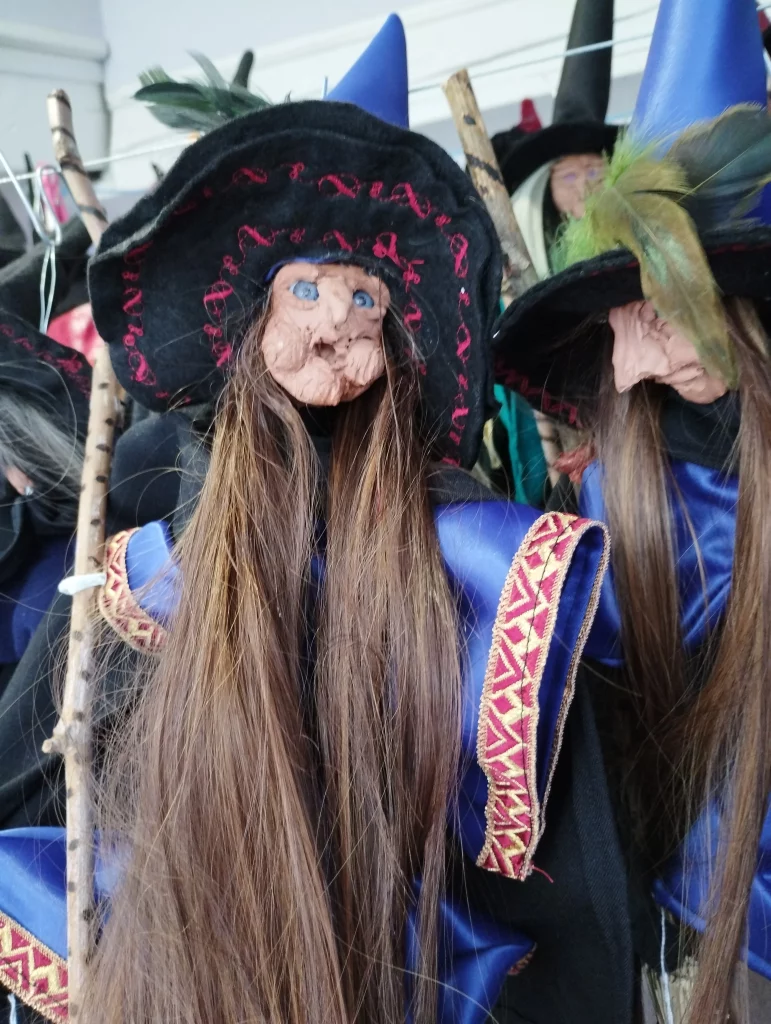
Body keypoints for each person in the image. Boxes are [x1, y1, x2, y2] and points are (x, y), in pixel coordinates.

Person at [0, 17, 617, 1024]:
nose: (334, 320)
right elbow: (34, 749)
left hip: (408, 962)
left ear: (398, 331)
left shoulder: (475, 551)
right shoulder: (161, 543)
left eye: (364, 297)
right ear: (254, 317)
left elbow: (569, 878)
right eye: (307, 289)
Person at [494, 0, 771, 1019]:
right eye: (626, 316)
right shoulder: (621, 481)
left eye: (666, 310)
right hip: (697, 913)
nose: (634, 359)